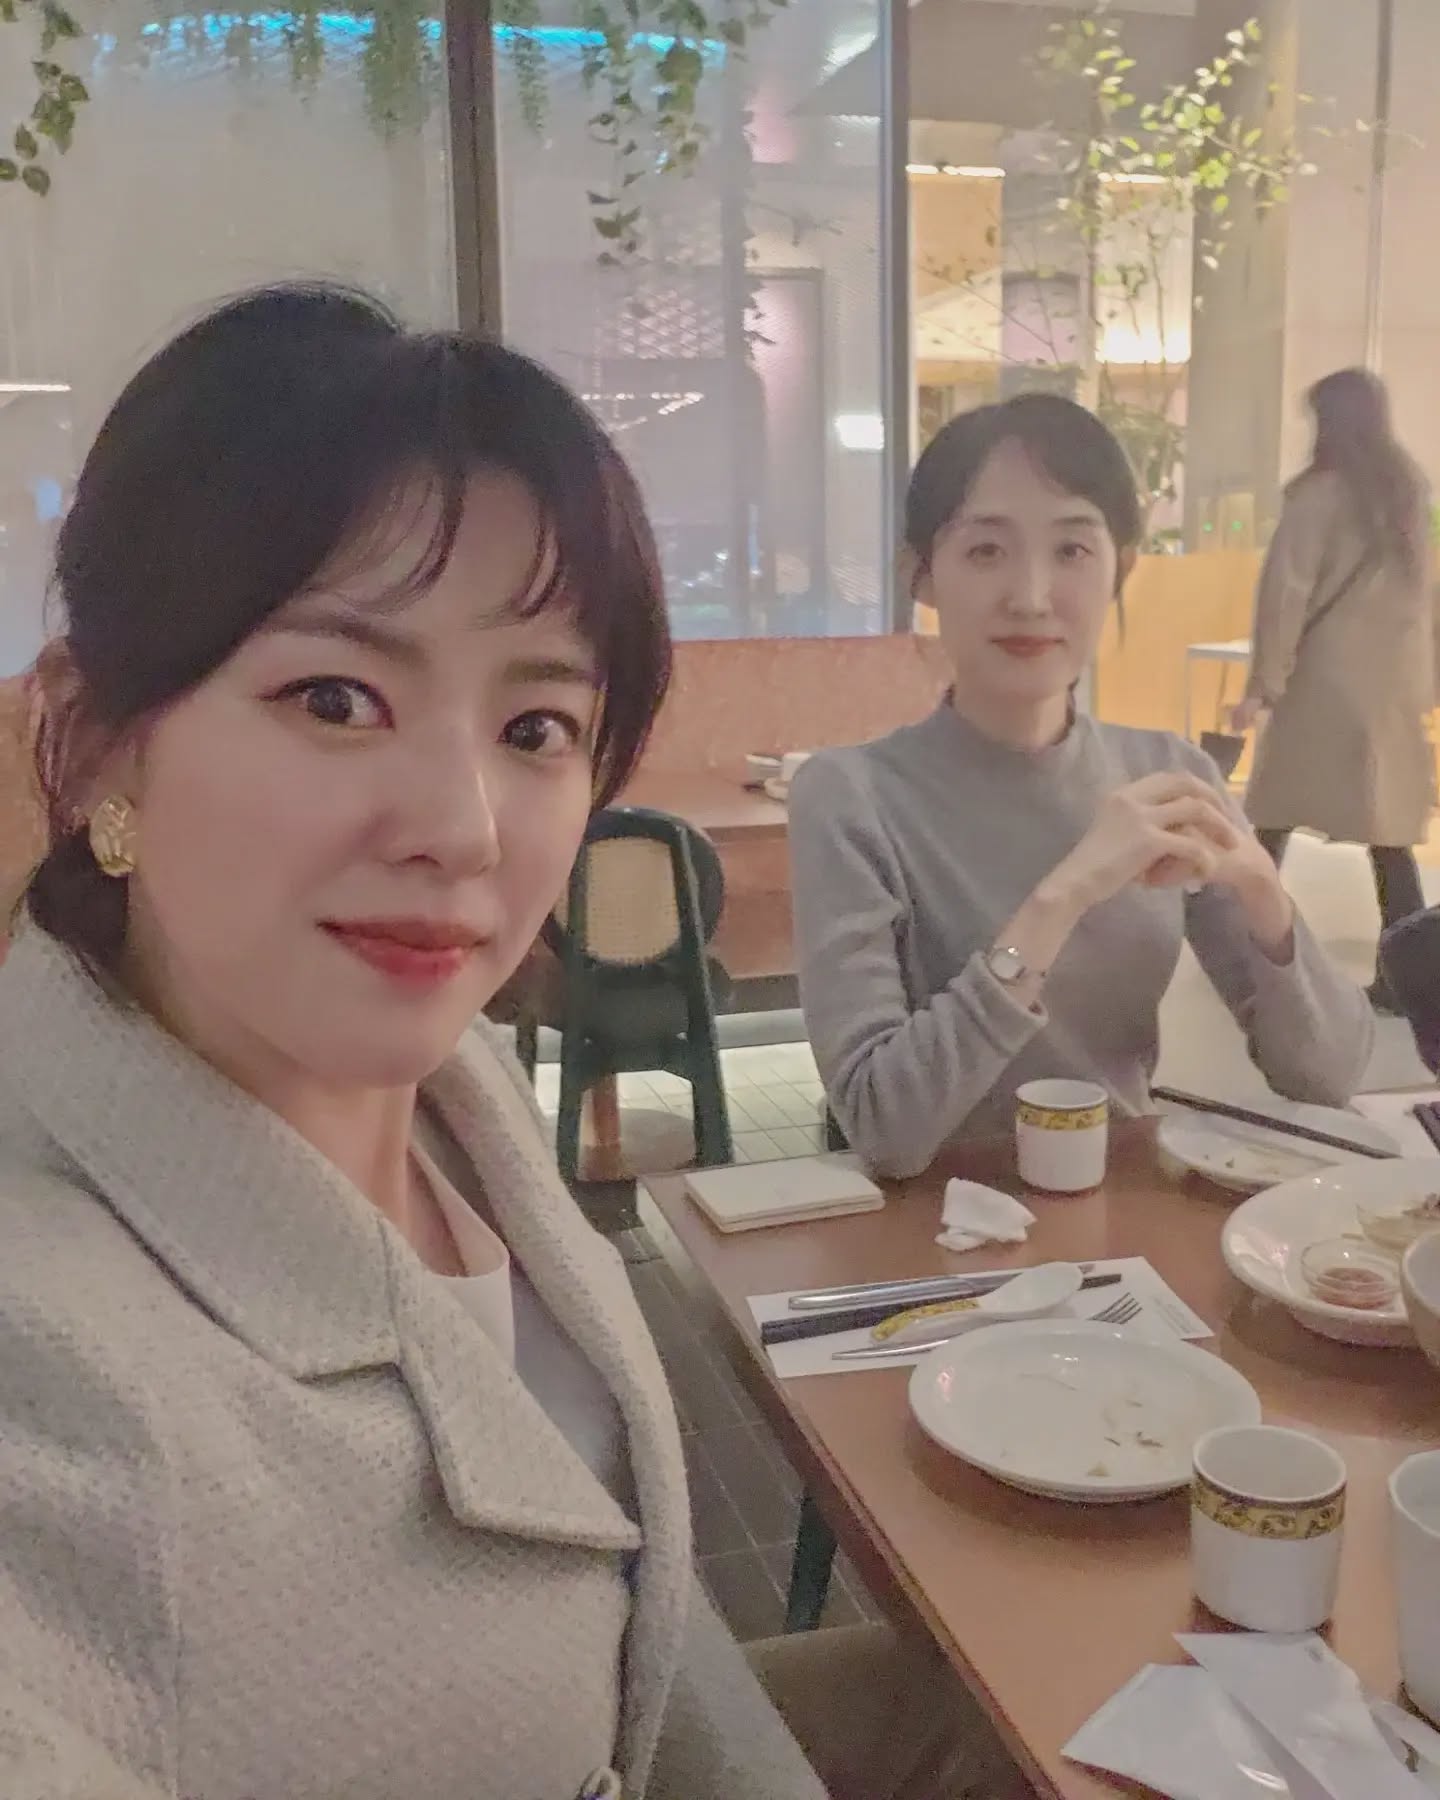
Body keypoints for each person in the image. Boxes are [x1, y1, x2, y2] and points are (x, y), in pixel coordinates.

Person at [0, 284, 841, 1800]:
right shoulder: (50, 1365)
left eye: (536, 729)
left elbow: (612, 1588)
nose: (462, 830)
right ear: (98, 739)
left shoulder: (446, 1080)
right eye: (336, 698)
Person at [789, 394, 1371, 1179]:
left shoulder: (1169, 778)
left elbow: (1328, 1079)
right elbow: (883, 1128)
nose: (1031, 596)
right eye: (986, 551)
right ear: (920, 575)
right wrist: (1061, 898)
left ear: (1120, 570)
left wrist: (1264, 892)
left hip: (1117, 1208)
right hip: (928, 1229)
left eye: (1071, 550)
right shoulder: (851, 797)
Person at [1233, 368, 1437, 1011]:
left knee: (1270, 814)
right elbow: (1425, 595)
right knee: (1387, 834)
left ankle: (1239, 949)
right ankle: (1407, 975)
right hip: (1387, 686)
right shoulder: (1406, 493)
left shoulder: (1317, 496)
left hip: (1322, 684)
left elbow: (1285, 593)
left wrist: (1264, 683)